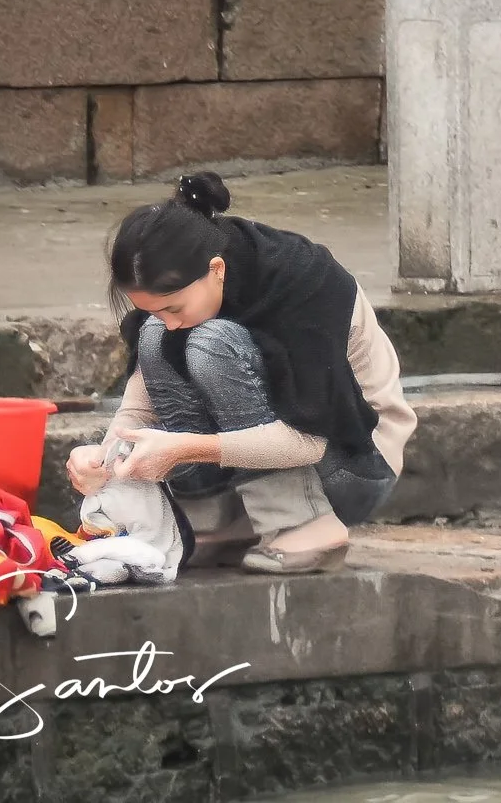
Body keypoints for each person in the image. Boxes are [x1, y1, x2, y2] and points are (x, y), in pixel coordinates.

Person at [66, 173, 417, 575]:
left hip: (355, 464)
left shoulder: (302, 280)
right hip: (253, 468)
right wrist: (103, 459)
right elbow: (138, 410)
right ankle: (212, 521)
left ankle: (302, 523)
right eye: (153, 310)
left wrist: (185, 448)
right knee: (155, 338)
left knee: (211, 343)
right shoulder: (177, 309)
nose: (169, 321)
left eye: (174, 308)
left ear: (216, 269)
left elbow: (309, 440)